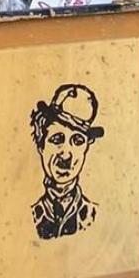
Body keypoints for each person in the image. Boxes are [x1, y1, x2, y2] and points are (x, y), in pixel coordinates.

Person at [29, 83, 104, 239]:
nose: (66, 155)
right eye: (57, 139)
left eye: (77, 141)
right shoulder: (27, 217)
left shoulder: (95, 216)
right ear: (41, 144)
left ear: (86, 148)